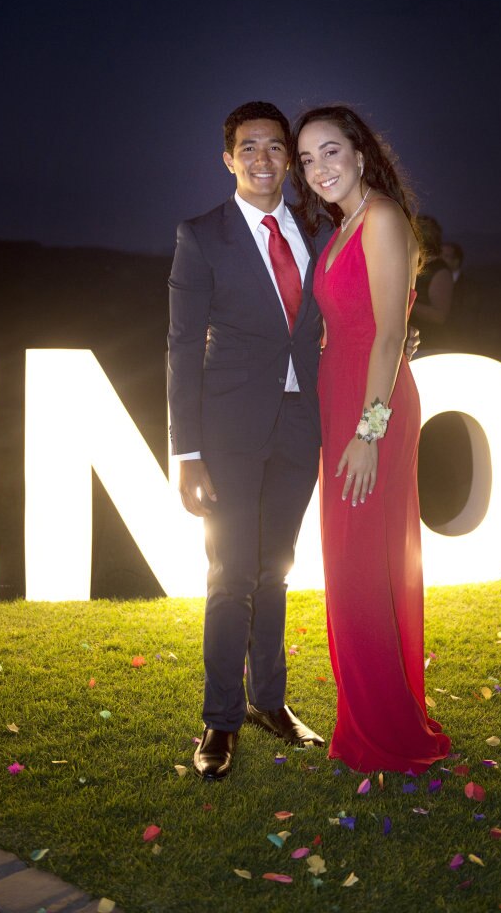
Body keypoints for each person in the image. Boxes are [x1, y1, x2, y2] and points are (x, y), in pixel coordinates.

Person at [167, 101, 326, 780]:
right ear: (228, 158)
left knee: (275, 570)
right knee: (230, 578)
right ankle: (219, 720)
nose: (263, 159)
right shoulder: (201, 235)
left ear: (289, 160)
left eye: (274, 148)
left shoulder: (319, 230)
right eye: (248, 147)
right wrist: (185, 452)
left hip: (300, 424)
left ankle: (270, 702)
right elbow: (179, 345)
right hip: (228, 433)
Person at [291, 105, 450, 772]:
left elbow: (388, 334)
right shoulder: (341, 226)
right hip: (343, 403)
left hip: (370, 411)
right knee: (352, 568)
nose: (318, 169)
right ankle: (367, 717)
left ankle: (386, 729)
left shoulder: (380, 218)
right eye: (306, 159)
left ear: (360, 155)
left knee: (366, 568)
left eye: (330, 152)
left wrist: (368, 431)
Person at [411, 216, 453, 351]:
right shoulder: (413, 265)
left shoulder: (440, 271)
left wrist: (406, 302)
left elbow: (439, 316)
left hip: (430, 344)